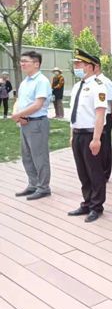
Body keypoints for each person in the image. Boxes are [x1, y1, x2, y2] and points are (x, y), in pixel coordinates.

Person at [67, 49, 108, 223]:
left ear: (90, 67)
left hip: (91, 134)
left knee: (94, 172)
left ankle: (96, 206)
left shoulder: (98, 86)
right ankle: (87, 202)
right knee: (82, 171)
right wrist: (72, 134)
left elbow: (100, 114)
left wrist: (96, 138)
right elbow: (74, 113)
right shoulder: (77, 86)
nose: (76, 67)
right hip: (78, 134)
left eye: (79, 64)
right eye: (75, 64)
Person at [11, 51, 52, 200]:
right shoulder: (25, 82)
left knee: (39, 157)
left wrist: (19, 115)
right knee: (27, 156)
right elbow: (18, 100)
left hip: (37, 123)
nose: (22, 64)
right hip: (25, 123)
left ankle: (43, 187)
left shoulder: (41, 81)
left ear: (36, 64)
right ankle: (33, 184)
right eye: (21, 61)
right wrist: (17, 114)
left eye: (25, 61)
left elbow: (38, 104)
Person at [94, 62, 112, 182]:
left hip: (106, 116)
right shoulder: (90, 82)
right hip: (94, 117)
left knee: (104, 146)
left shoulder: (106, 82)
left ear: (96, 66)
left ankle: (105, 173)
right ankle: (96, 171)